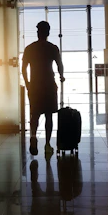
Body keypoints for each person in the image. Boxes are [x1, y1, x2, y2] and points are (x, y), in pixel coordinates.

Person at [22, 20, 65, 157]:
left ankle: (33, 137)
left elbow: (23, 69)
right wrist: (61, 76)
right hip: (49, 85)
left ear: (37, 32)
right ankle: (47, 143)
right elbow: (59, 65)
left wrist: (28, 84)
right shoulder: (52, 48)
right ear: (48, 32)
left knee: (34, 114)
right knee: (49, 115)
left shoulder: (29, 48)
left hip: (34, 85)